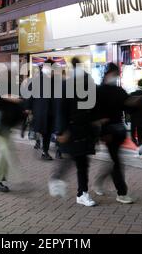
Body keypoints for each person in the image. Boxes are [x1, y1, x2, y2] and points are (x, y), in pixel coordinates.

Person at [49, 58, 97, 207]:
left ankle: (81, 193)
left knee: (80, 161)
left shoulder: (86, 85)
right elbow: (60, 109)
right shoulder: (66, 86)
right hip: (72, 129)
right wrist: (61, 130)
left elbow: (92, 108)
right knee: (75, 159)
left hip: (83, 130)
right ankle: (60, 181)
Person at [92, 63, 133, 204]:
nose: (115, 77)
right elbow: (94, 112)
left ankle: (99, 181)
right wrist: (101, 131)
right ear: (107, 74)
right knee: (117, 161)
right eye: (113, 74)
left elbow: (127, 105)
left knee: (115, 161)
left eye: (117, 74)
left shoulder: (119, 90)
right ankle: (122, 192)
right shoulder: (99, 90)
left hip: (120, 131)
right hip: (108, 131)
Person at [27, 59, 57, 161]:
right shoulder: (37, 80)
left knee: (46, 132)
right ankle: (43, 148)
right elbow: (29, 95)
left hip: (48, 112)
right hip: (41, 111)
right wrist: (29, 109)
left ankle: (44, 150)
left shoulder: (55, 81)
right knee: (44, 131)